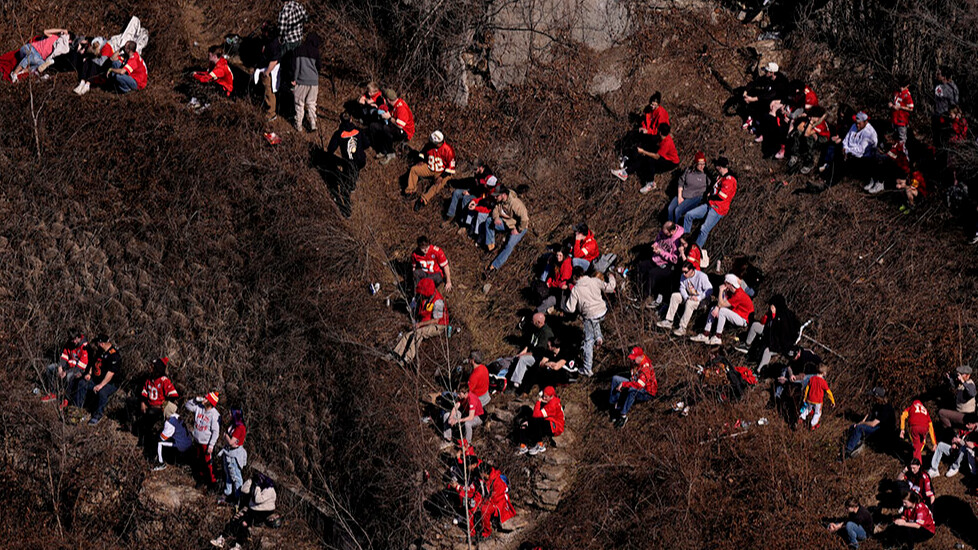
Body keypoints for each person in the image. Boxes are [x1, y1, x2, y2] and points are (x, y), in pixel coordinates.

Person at [565, 268, 616, 377]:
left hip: (589, 315)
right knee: (594, 320)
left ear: (575, 277)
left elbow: (570, 309)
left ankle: (587, 368)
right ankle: (599, 338)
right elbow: (610, 288)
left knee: (588, 341)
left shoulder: (576, 289)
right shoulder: (595, 281)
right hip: (603, 310)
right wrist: (611, 277)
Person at [210, 473, 277, 549]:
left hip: (262, 512)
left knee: (244, 523)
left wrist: (257, 487)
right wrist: (251, 481)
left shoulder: (270, 489)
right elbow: (243, 489)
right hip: (252, 509)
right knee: (235, 518)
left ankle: (238, 545)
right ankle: (222, 538)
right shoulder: (255, 484)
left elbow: (258, 499)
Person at [682, 156, 736, 249]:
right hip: (710, 204)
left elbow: (722, 196)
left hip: (718, 209)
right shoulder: (720, 177)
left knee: (704, 229)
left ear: (719, 167)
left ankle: (695, 251)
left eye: (716, 166)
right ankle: (684, 240)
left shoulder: (729, 180)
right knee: (688, 215)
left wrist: (710, 196)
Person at [736, 294, 800, 372]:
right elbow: (765, 323)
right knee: (755, 326)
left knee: (767, 351)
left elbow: (781, 336)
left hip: (780, 343)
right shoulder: (774, 314)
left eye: (772, 306)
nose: (770, 307)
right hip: (770, 333)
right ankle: (747, 345)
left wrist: (772, 343)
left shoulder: (784, 318)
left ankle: (759, 371)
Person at [392, 278, 449, 364]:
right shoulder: (424, 297)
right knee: (408, 335)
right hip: (427, 321)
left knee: (419, 333)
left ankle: (407, 359)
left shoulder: (438, 301)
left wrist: (420, 324)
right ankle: (396, 354)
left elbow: (436, 320)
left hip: (439, 325)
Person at [612, 123, 680, 194]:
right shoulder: (663, 137)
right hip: (665, 157)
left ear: (660, 132)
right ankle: (625, 172)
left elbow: (656, 156)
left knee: (651, 160)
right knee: (643, 159)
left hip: (671, 162)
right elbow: (653, 134)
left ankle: (651, 183)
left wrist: (643, 151)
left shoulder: (666, 143)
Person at [324, 113, 369, 217]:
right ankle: (353, 184)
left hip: (349, 164)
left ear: (340, 121)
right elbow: (366, 144)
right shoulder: (358, 130)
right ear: (351, 119)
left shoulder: (339, 134)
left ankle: (346, 210)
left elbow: (330, 149)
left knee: (344, 188)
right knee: (354, 171)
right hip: (361, 161)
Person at [690, 274, 753, 346]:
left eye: (725, 283)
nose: (723, 285)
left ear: (729, 284)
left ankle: (718, 336)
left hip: (743, 319)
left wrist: (721, 291)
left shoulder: (738, 294)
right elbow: (721, 302)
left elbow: (721, 304)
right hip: (736, 313)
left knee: (723, 311)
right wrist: (717, 308)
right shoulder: (730, 291)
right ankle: (706, 333)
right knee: (714, 308)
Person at [73, 335, 122, 425]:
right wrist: (89, 374)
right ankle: (77, 409)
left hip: (109, 383)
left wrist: (101, 385)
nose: (97, 345)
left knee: (102, 392)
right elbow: (93, 363)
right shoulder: (100, 351)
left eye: (98, 343)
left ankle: (97, 415)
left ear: (102, 343)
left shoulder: (114, 355)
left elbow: (110, 373)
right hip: (96, 379)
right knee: (82, 383)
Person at [657, 261, 712, 336]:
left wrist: (699, 298)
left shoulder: (702, 276)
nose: (684, 274)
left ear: (692, 270)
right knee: (675, 296)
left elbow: (709, 290)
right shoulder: (683, 276)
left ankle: (682, 327)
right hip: (689, 295)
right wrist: (686, 297)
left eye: (686, 272)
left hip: (701, 299)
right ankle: (669, 320)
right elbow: (682, 288)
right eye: (682, 271)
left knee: (690, 303)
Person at [635, 222, 684, 304]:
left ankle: (644, 297)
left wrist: (661, 252)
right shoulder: (663, 232)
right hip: (656, 258)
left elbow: (674, 259)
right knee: (641, 266)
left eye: (666, 234)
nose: (664, 235)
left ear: (672, 232)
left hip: (667, 264)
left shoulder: (677, 241)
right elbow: (658, 239)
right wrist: (655, 245)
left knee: (652, 274)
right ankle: (638, 290)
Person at [609, 347, 658, 428]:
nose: (632, 360)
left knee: (632, 390)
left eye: (634, 359)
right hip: (635, 381)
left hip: (647, 391)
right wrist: (630, 379)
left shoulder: (645, 368)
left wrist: (624, 384)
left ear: (640, 357)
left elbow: (639, 385)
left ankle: (623, 415)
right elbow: (632, 373)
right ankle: (614, 406)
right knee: (615, 379)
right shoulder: (635, 361)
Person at [484, 186, 529, 273]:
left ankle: (494, 266)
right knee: (489, 221)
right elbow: (495, 210)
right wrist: (496, 217)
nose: (495, 198)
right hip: (507, 223)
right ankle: (491, 246)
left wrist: (518, 230)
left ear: (503, 195)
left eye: (497, 196)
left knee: (509, 245)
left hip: (519, 227)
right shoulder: (500, 201)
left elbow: (525, 219)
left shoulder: (516, 204)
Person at [408, 131, 458, 210]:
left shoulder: (448, 150)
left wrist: (442, 176)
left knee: (438, 185)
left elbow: (451, 167)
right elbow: (422, 153)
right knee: (414, 169)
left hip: (441, 171)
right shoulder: (429, 145)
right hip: (429, 167)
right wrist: (421, 160)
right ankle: (410, 191)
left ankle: (423, 199)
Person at [135, 357, 179, 444]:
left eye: (152, 366)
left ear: (157, 369)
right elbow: (144, 392)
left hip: (158, 408)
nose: (150, 367)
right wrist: (143, 403)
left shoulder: (164, 381)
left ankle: (146, 440)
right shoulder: (149, 379)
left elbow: (173, 395)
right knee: (131, 402)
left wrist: (162, 405)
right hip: (148, 404)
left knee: (150, 414)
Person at [844, 387, 896, 459]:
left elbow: (873, 423)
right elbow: (869, 414)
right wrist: (860, 422)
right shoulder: (877, 405)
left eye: (873, 396)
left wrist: (862, 424)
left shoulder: (886, 409)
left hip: (882, 431)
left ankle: (847, 451)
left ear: (877, 397)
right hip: (875, 427)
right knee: (853, 427)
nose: (872, 398)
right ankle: (856, 443)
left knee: (859, 428)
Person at [470, 463, 518, 541]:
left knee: (484, 510)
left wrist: (484, 503)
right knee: (473, 508)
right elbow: (479, 493)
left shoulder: (497, 480)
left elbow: (497, 497)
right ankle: (474, 531)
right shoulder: (484, 480)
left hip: (498, 502)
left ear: (485, 473)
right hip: (489, 500)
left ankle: (487, 533)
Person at [507, 313, 553, 394]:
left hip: (539, 357)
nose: (532, 322)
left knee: (523, 360)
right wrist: (524, 351)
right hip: (532, 353)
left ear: (539, 322)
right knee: (514, 359)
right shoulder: (534, 328)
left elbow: (539, 351)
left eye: (533, 321)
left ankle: (515, 384)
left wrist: (524, 355)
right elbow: (529, 343)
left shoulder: (546, 333)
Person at [41, 331, 88, 405]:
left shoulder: (85, 347)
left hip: (78, 369)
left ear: (79, 338)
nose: (74, 342)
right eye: (72, 340)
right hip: (68, 366)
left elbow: (81, 366)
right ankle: (53, 393)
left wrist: (67, 372)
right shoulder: (70, 343)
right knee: (50, 368)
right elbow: (64, 357)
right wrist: (60, 367)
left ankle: (66, 399)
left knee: (69, 376)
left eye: (75, 340)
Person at [370, 88, 415, 164]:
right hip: (393, 124)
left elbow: (400, 125)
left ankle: (390, 153)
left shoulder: (401, 108)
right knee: (373, 126)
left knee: (386, 129)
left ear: (388, 99)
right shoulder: (393, 104)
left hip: (405, 132)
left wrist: (389, 118)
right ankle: (382, 150)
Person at [516, 386, 564, 455]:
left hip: (556, 427)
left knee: (536, 421)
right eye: (543, 396)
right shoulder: (551, 401)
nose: (544, 398)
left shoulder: (552, 404)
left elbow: (536, 414)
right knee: (525, 423)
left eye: (546, 397)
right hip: (551, 422)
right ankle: (523, 446)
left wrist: (538, 401)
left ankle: (540, 445)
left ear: (552, 396)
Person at [186, 392, 221, 486]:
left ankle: (212, 483)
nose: (203, 399)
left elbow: (216, 432)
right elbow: (188, 405)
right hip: (198, 441)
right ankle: (200, 479)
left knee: (208, 464)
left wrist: (211, 445)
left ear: (210, 402)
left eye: (205, 398)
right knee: (199, 460)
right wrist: (195, 399)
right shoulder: (199, 407)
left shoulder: (214, 415)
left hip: (206, 443)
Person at [929, 413, 978, 478]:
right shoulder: (964, 428)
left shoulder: (976, 432)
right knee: (940, 445)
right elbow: (958, 436)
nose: (966, 425)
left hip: (967, 455)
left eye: (968, 424)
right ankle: (934, 469)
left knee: (964, 448)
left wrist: (960, 441)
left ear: (974, 423)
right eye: (965, 424)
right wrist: (954, 443)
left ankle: (955, 467)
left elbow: (972, 446)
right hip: (956, 450)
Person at [836, 112, 878, 186]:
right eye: (856, 123)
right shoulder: (854, 126)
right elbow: (846, 140)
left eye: (859, 123)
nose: (857, 125)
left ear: (866, 122)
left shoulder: (869, 133)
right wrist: (844, 148)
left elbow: (860, 151)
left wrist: (847, 150)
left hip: (861, 158)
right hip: (849, 152)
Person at [667, 152, 710, 223]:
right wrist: (680, 196)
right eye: (700, 164)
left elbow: (711, 186)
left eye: (703, 164)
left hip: (695, 197)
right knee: (670, 209)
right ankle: (670, 227)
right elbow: (681, 182)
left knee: (678, 210)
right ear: (695, 164)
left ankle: (677, 230)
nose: (702, 166)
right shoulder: (688, 171)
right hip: (683, 194)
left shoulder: (706, 175)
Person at [292, 32, 322, 132]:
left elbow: (294, 66)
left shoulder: (298, 49)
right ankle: (313, 124)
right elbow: (319, 67)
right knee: (312, 104)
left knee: (299, 104)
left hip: (301, 80)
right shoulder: (316, 52)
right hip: (313, 82)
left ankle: (299, 125)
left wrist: (294, 79)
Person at [153, 401, 193, 471]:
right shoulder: (177, 416)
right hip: (188, 442)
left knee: (159, 442)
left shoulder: (169, 423)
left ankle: (160, 463)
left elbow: (163, 437)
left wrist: (157, 435)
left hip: (181, 446)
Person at [220, 408, 248, 506]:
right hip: (228, 452)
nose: (229, 415)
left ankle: (238, 498)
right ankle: (228, 493)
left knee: (236, 476)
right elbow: (231, 441)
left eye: (231, 414)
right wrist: (228, 438)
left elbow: (232, 442)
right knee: (228, 474)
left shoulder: (240, 428)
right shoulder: (233, 425)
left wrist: (226, 436)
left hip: (234, 455)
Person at [535, 247, 573, 314]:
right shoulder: (557, 262)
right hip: (555, 285)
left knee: (548, 300)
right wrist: (549, 281)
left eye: (560, 255)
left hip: (561, 289)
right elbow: (553, 274)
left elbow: (562, 282)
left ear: (564, 255)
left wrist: (551, 284)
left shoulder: (566, 266)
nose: (558, 257)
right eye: (557, 255)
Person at [937, 364, 976, 430]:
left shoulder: (970, 384)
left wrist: (963, 381)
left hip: (967, 415)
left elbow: (972, 393)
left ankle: (950, 432)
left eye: (961, 374)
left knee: (941, 413)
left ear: (967, 375)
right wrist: (949, 378)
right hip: (960, 412)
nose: (959, 376)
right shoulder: (961, 384)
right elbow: (954, 385)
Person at [797, 364, 834, 430]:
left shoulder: (812, 379)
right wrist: (832, 401)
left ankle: (802, 417)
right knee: (817, 413)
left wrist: (805, 397)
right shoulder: (823, 382)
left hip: (809, 399)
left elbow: (807, 389)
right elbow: (829, 392)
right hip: (818, 401)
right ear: (823, 373)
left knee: (807, 409)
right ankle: (813, 424)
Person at [257, 24, 282, 120]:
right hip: (264, 67)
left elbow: (274, 61)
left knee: (269, 91)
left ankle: (271, 112)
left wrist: (267, 72)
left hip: (270, 71)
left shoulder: (273, 44)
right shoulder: (267, 40)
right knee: (265, 89)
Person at [932, 68, 959, 145]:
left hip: (943, 117)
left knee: (941, 140)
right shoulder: (954, 87)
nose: (937, 75)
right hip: (944, 116)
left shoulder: (944, 88)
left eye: (939, 74)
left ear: (944, 77)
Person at [889, 77, 914, 143]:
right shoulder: (896, 92)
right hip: (894, 119)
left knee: (902, 138)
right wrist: (891, 105)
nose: (901, 88)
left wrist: (900, 107)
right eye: (900, 86)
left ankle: (902, 151)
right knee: (894, 137)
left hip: (902, 120)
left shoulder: (907, 95)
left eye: (903, 86)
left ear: (907, 85)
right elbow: (893, 101)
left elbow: (911, 108)